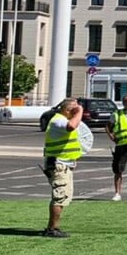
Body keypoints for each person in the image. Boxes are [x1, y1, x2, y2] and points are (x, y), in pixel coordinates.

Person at [42, 98, 84, 238]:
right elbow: (71, 127)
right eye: (74, 110)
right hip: (59, 165)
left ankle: (53, 227)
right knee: (59, 197)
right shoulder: (58, 120)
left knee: (62, 196)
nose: (77, 113)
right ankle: (52, 228)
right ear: (68, 110)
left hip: (63, 164)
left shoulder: (60, 119)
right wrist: (80, 111)